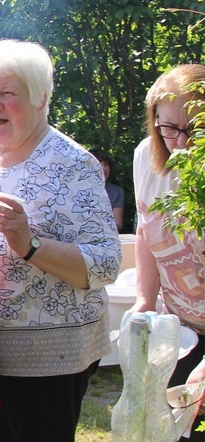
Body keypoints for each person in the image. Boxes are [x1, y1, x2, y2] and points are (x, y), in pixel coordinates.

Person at [0, 39, 121, 442]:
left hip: (49, 361)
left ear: (42, 98)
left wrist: (30, 244)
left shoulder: (74, 164)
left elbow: (107, 263)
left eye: (8, 94)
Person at [130, 64, 205, 440]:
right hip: (179, 328)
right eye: (169, 127)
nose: (179, 142)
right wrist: (145, 299)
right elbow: (146, 230)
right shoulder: (146, 156)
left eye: (193, 129)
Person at [90, 148, 125, 232]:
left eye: (106, 164)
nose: (104, 168)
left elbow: (118, 224)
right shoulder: (78, 189)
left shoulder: (116, 191)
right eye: (99, 164)